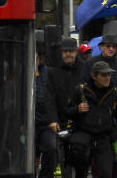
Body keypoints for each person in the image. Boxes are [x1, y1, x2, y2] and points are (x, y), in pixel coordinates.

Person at [66, 61, 117, 178]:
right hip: (83, 138)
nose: (107, 78)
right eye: (103, 75)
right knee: (80, 173)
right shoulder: (80, 91)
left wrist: (112, 137)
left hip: (104, 139)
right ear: (94, 76)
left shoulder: (116, 93)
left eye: (109, 74)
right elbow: (67, 112)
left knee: (106, 173)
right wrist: (77, 109)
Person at [46, 38, 84, 177]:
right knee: (63, 159)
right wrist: (53, 119)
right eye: (66, 51)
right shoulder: (53, 71)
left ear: (76, 52)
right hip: (61, 120)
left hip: (81, 120)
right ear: (61, 53)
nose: (68, 54)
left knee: (81, 159)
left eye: (71, 51)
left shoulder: (84, 68)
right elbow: (49, 97)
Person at [34, 41, 58, 178]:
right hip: (30, 122)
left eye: (43, 54)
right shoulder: (24, 70)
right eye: (38, 54)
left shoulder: (50, 73)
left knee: (51, 148)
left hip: (47, 122)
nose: (40, 57)